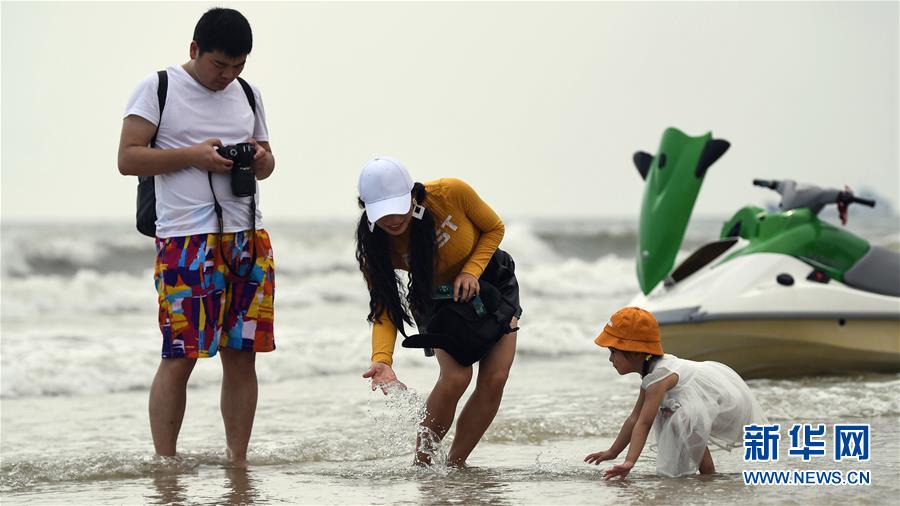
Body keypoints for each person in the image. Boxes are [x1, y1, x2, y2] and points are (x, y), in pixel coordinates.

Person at [117, 7, 276, 467]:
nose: (228, 75)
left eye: (238, 66)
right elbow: (127, 158)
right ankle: (166, 464)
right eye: (219, 65)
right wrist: (193, 156)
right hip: (186, 240)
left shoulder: (248, 92)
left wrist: (262, 162)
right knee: (181, 355)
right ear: (194, 51)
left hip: (249, 236)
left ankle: (238, 461)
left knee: (243, 355)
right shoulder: (158, 88)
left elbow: (267, 157)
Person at [355, 156, 522, 467]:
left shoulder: (451, 194)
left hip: (490, 282)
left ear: (413, 194)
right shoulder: (375, 245)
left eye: (397, 206)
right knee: (457, 377)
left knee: (496, 377)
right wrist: (382, 360)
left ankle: (456, 465)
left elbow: (493, 228)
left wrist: (471, 271)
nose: (391, 219)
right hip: (436, 298)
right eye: (381, 212)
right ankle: (424, 465)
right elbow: (385, 307)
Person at [585, 307, 766, 478]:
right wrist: (612, 452)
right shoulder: (652, 374)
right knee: (675, 415)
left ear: (635, 352)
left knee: (679, 418)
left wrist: (629, 462)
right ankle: (708, 475)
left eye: (613, 351)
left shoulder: (659, 376)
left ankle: (709, 476)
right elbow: (634, 418)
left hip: (713, 398)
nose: (610, 359)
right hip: (695, 399)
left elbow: (644, 423)